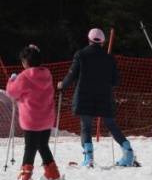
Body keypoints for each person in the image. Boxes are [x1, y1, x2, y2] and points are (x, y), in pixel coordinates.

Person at [58, 27, 138, 168]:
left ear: (89, 40)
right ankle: (129, 153)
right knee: (111, 125)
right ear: (103, 42)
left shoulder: (81, 55)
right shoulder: (109, 58)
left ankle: (88, 158)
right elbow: (115, 82)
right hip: (104, 97)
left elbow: (71, 75)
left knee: (86, 127)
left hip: (84, 96)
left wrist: (62, 85)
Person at [5, 45, 64, 180]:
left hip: (31, 119)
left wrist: (11, 80)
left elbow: (12, 92)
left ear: (25, 62)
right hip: (46, 118)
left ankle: (25, 176)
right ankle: (52, 173)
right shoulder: (47, 73)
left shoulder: (24, 77)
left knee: (30, 146)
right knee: (43, 145)